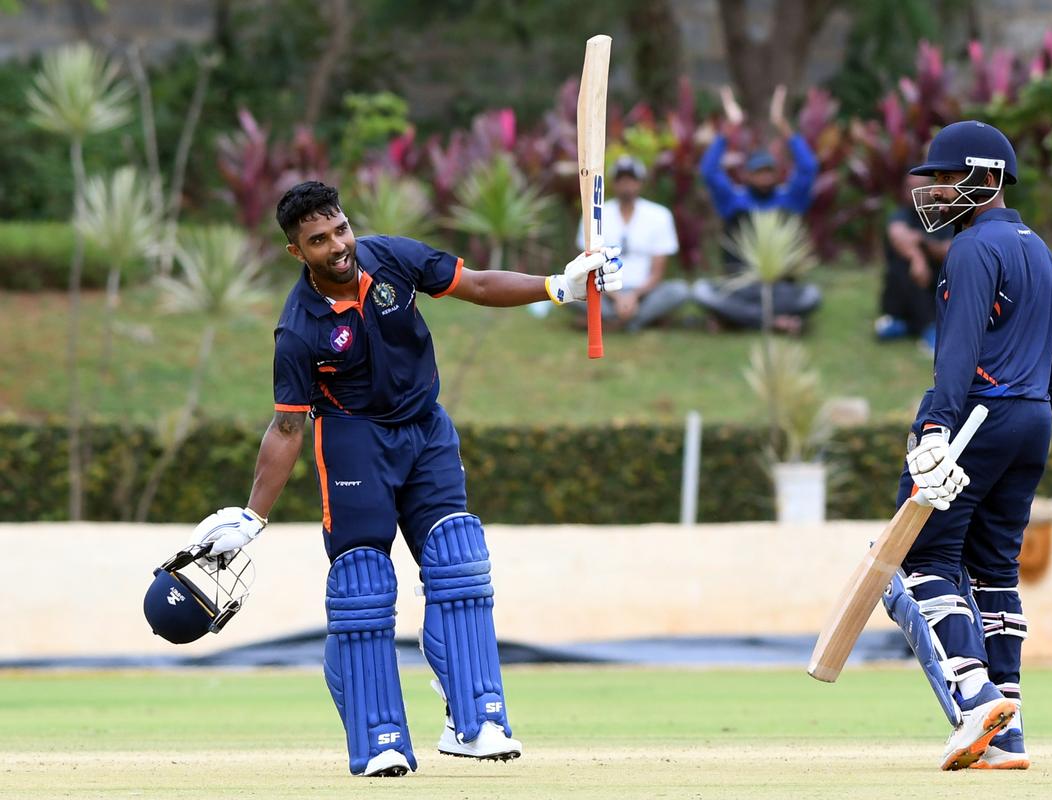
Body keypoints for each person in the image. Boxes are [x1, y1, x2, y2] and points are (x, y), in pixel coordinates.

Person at [183, 181, 622, 778]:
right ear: (298, 252)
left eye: (339, 229)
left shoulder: (391, 257)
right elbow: (287, 429)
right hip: (354, 441)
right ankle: (379, 736)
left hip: (425, 428)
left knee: (459, 558)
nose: (338, 245)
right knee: (363, 584)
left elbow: (476, 285)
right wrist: (253, 515)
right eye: (319, 240)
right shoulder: (299, 328)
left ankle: (476, 721)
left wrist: (559, 286)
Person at [888, 120, 1052, 771]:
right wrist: (1023, 414)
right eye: (934, 181)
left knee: (925, 557)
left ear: (987, 178)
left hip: (977, 418)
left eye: (946, 178)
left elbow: (959, 354)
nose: (936, 192)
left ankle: (974, 695)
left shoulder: (971, 251)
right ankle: (1007, 732)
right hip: (1031, 420)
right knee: (995, 569)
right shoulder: (1040, 249)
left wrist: (937, 427)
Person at [693, 85, 821, 332]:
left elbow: (808, 167)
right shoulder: (735, 202)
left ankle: (737, 320)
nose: (764, 178)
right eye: (758, 173)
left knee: (811, 296)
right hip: (741, 287)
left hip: (779, 288)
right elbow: (708, 171)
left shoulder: (789, 201)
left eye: (768, 172)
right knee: (701, 292)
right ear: (747, 176)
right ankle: (776, 322)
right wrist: (731, 126)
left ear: (776, 174)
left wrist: (782, 124)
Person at [573, 154, 688, 331]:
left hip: (644, 293)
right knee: (570, 288)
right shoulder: (594, 214)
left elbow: (657, 272)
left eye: (631, 180)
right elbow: (589, 267)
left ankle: (615, 321)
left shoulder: (659, 215)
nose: (626, 186)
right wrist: (618, 298)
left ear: (640, 183)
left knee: (679, 290)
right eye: (621, 180)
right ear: (613, 183)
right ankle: (638, 320)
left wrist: (633, 296)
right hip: (605, 291)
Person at [876, 175, 953, 353]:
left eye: (916, 188)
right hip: (903, 291)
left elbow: (949, 250)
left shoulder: (944, 216)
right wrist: (917, 257)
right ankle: (924, 326)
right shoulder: (902, 214)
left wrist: (923, 242)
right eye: (908, 187)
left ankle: (911, 326)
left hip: (935, 289)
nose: (911, 193)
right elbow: (897, 235)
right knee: (903, 265)